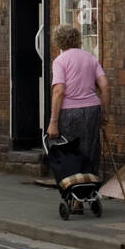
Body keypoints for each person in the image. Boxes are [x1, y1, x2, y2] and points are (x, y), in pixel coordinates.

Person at [47, 24, 109, 211]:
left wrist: (53, 121)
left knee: (71, 153)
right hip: (92, 110)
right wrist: (104, 113)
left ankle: (75, 198)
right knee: (90, 151)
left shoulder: (60, 61)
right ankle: (89, 192)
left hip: (70, 112)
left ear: (58, 41)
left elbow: (59, 91)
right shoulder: (90, 58)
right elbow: (105, 86)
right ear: (77, 39)